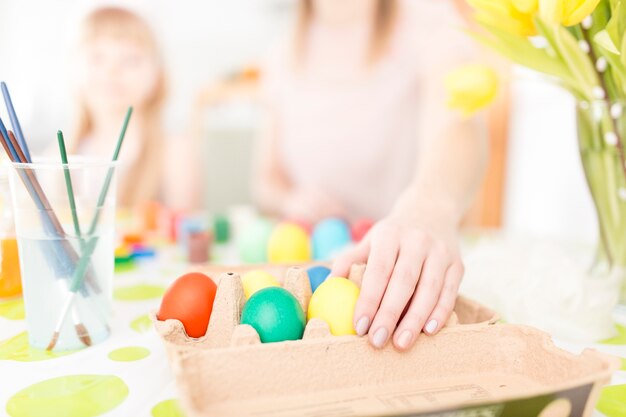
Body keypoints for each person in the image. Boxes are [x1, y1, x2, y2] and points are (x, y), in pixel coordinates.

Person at [253, 0, 487, 350]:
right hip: (314, 264)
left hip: (398, 269)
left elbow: (459, 121)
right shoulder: (283, 48)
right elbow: (264, 179)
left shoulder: (424, 17)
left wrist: (430, 205)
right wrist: (291, 198)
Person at [69, 6, 199, 210]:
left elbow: (185, 231)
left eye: (130, 60)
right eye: (97, 57)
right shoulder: (60, 156)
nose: (112, 70)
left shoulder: (174, 152)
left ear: (157, 75)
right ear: (74, 70)